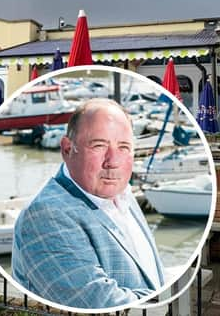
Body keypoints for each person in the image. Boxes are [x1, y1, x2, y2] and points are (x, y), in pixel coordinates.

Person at [11, 98, 164, 309]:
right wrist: (167, 302)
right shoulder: (45, 215)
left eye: (123, 147)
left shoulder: (122, 195)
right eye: (99, 145)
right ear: (66, 149)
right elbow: (96, 302)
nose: (113, 161)